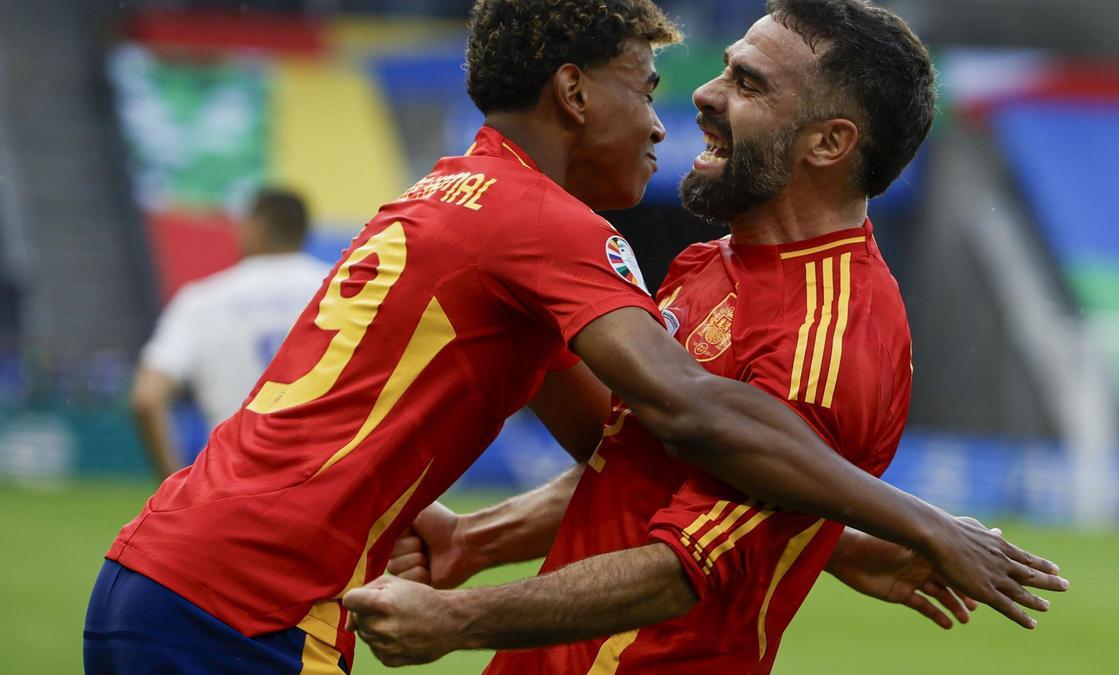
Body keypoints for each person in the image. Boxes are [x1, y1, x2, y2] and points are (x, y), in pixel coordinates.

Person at [85, 1, 1063, 673]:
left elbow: (656, 490)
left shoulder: (830, 324)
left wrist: (832, 531)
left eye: (744, 81)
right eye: (657, 81)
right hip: (247, 601)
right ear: (572, 92)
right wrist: (902, 519)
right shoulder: (581, 239)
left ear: (828, 141)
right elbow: (669, 430)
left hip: (197, 578)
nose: (683, 104)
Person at [130, 188, 329, 479]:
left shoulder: (202, 301)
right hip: (322, 481)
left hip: (233, 483)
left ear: (255, 227)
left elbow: (147, 398)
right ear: (302, 231)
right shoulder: (341, 291)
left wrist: (170, 481)